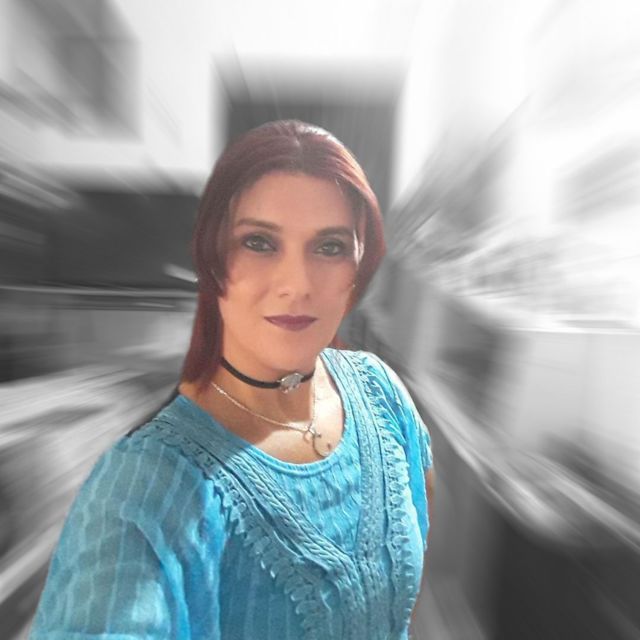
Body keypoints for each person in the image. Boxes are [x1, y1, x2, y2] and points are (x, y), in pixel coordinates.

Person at [29, 120, 434, 640]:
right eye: (259, 242)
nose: (297, 284)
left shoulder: (380, 392)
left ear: (360, 268)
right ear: (212, 257)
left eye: (330, 247)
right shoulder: (145, 489)